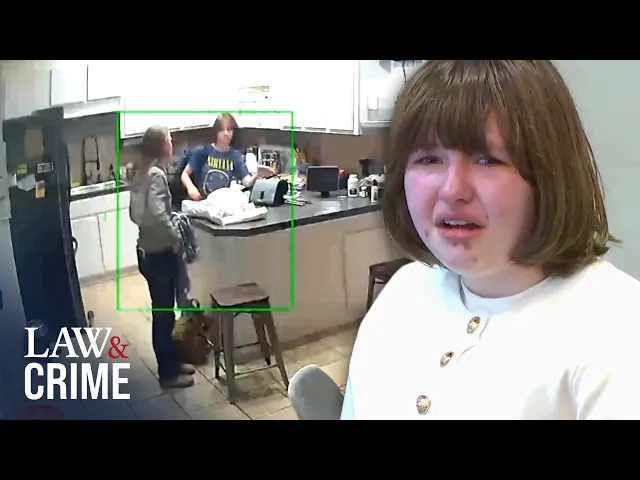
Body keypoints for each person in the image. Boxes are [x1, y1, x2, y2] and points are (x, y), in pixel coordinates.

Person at [341, 60, 640, 420]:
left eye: (487, 159)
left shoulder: (621, 331)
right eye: (429, 158)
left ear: (550, 174)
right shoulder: (400, 295)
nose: (452, 190)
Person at [129, 124, 195, 390]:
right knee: (164, 316)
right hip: (158, 255)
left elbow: (135, 215)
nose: (172, 142)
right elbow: (158, 214)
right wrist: (175, 238)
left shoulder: (141, 170)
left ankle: (173, 363)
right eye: (169, 138)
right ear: (161, 144)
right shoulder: (155, 174)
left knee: (164, 312)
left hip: (146, 251)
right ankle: (168, 374)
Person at [180, 113, 273, 200]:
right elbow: (185, 174)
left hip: (221, 203)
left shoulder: (235, 156)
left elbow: (246, 182)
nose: (225, 133)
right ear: (216, 132)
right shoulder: (203, 152)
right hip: (201, 202)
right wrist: (191, 188)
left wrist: (258, 174)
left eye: (229, 129)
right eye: (221, 130)